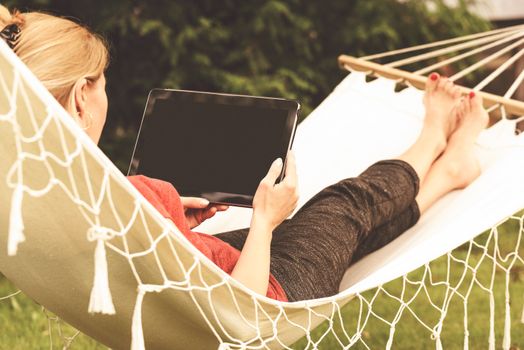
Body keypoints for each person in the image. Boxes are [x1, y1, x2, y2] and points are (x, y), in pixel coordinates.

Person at [0, 7, 488, 302]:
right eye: (103, 83)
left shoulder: (36, 190)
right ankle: (432, 137)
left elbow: (134, 253)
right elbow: (249, 314)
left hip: (197, 278)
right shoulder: (115, 194)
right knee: (346, 204)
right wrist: (264, 220)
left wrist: (174, 222)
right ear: (83, 95)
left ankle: (446, 174)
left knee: (335, 232)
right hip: (265, 290)